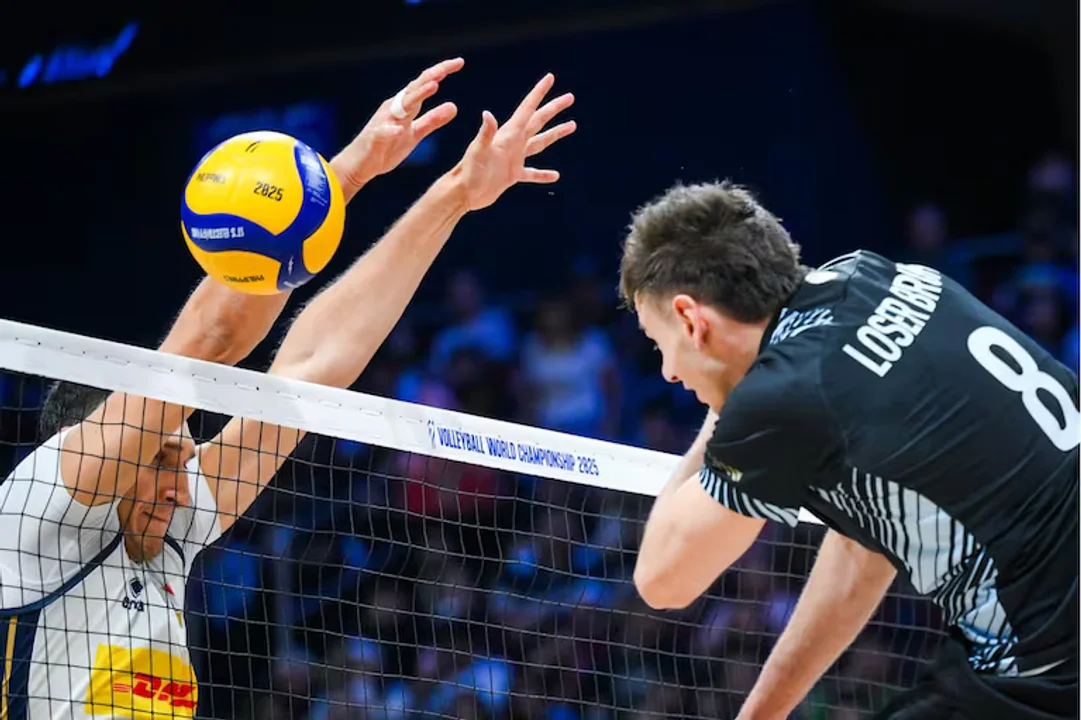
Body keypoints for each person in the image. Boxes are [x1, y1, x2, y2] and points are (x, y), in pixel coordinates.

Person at [0, 58, 576, 719]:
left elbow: (311, 370)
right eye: (164, 454)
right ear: (87, 444)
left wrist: (454, 195)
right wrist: (343, 172)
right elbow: (207, 344)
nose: (184, 470)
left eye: (183, 451)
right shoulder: (40, 507)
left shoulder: (171, 525)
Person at [623, 181, 1078, 719]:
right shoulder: (869, 274)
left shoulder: (785, 396)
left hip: (1045, 665)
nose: (669, 372)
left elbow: (662, 580)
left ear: (692, 320)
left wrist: (726, 404)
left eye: (661, 344)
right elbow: (866, 547)